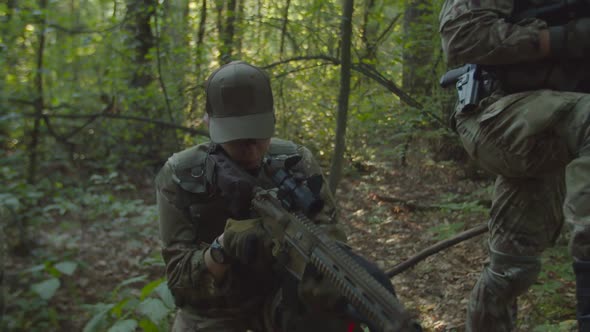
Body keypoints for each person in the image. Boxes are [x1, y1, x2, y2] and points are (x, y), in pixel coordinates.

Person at [155, 61, 401, 332]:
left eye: (258, 133)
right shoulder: (181, 175)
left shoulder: (296, 162)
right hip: (214, 310)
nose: (250, 148)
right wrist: (223, 248)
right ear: (208, 123)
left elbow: (329, 243)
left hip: (283, 299)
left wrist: (317, 283)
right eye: (237, 136)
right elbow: (180, 284)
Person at [438, 1, 590, 331]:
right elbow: (460, 37)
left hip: (560, 125)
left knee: (511, 271)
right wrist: (564, 38)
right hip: (496, 115)